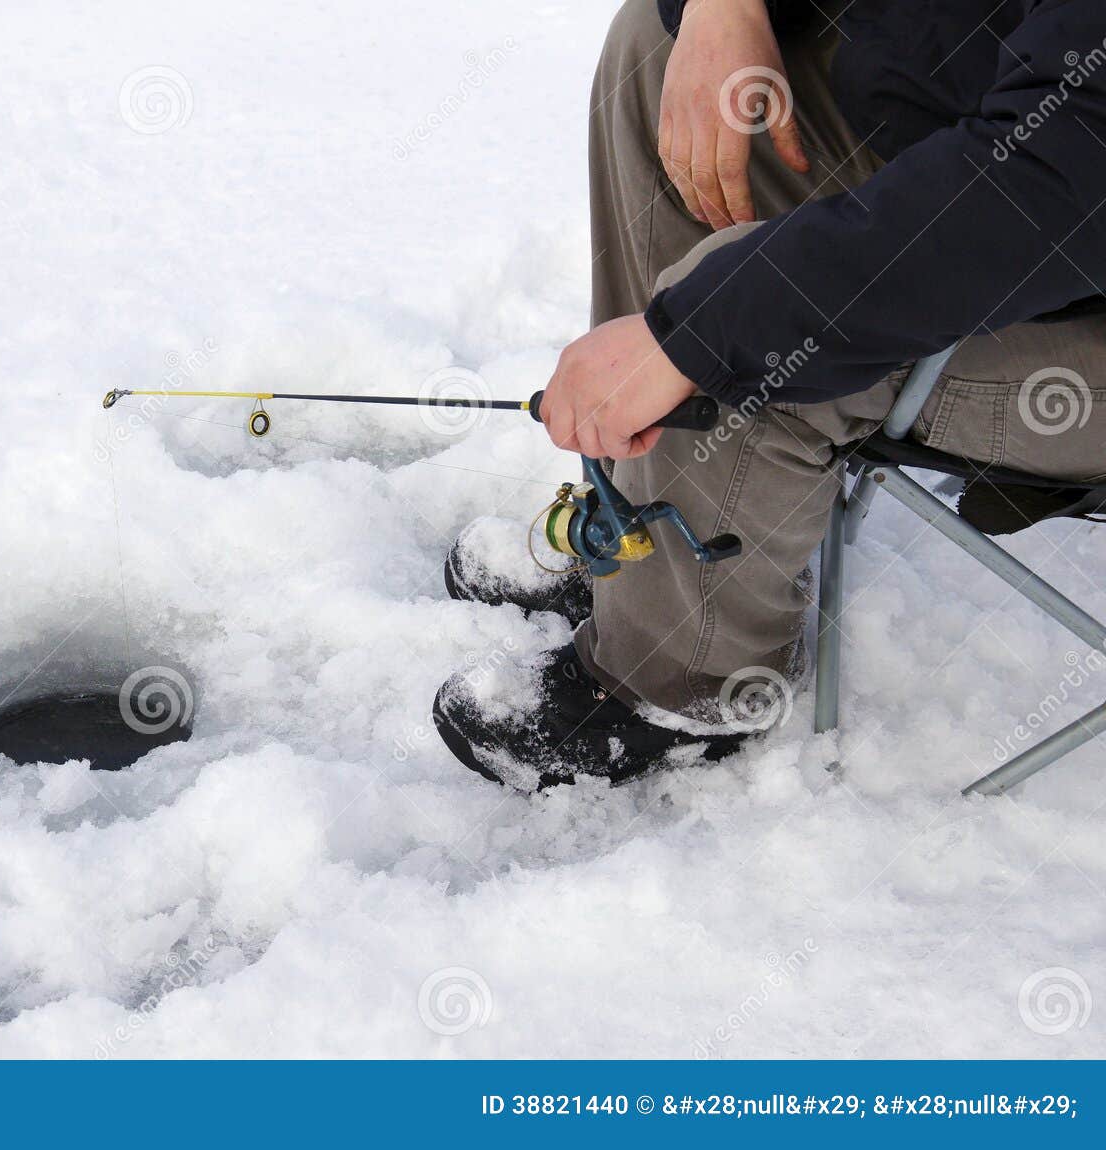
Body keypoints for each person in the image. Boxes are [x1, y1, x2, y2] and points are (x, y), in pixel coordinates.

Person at [433, 0, 1106, 792]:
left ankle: (683, 677)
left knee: (761, 327)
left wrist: (702, 332)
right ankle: (642, 545)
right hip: (999, 142)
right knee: (661, 52)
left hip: (1062, 255)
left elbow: (1047, 194)